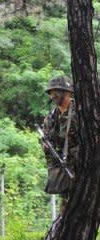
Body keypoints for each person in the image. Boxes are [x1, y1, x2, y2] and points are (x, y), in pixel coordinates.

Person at [40, 75, 78, 213]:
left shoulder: (81, 114)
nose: (52, 95)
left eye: (56, 91)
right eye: (50, 92)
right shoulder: (50, 118)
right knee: (67, 216)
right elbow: (46, 141)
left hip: (84, 171)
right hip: (66, 174)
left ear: (68, 92)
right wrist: (46, 146)